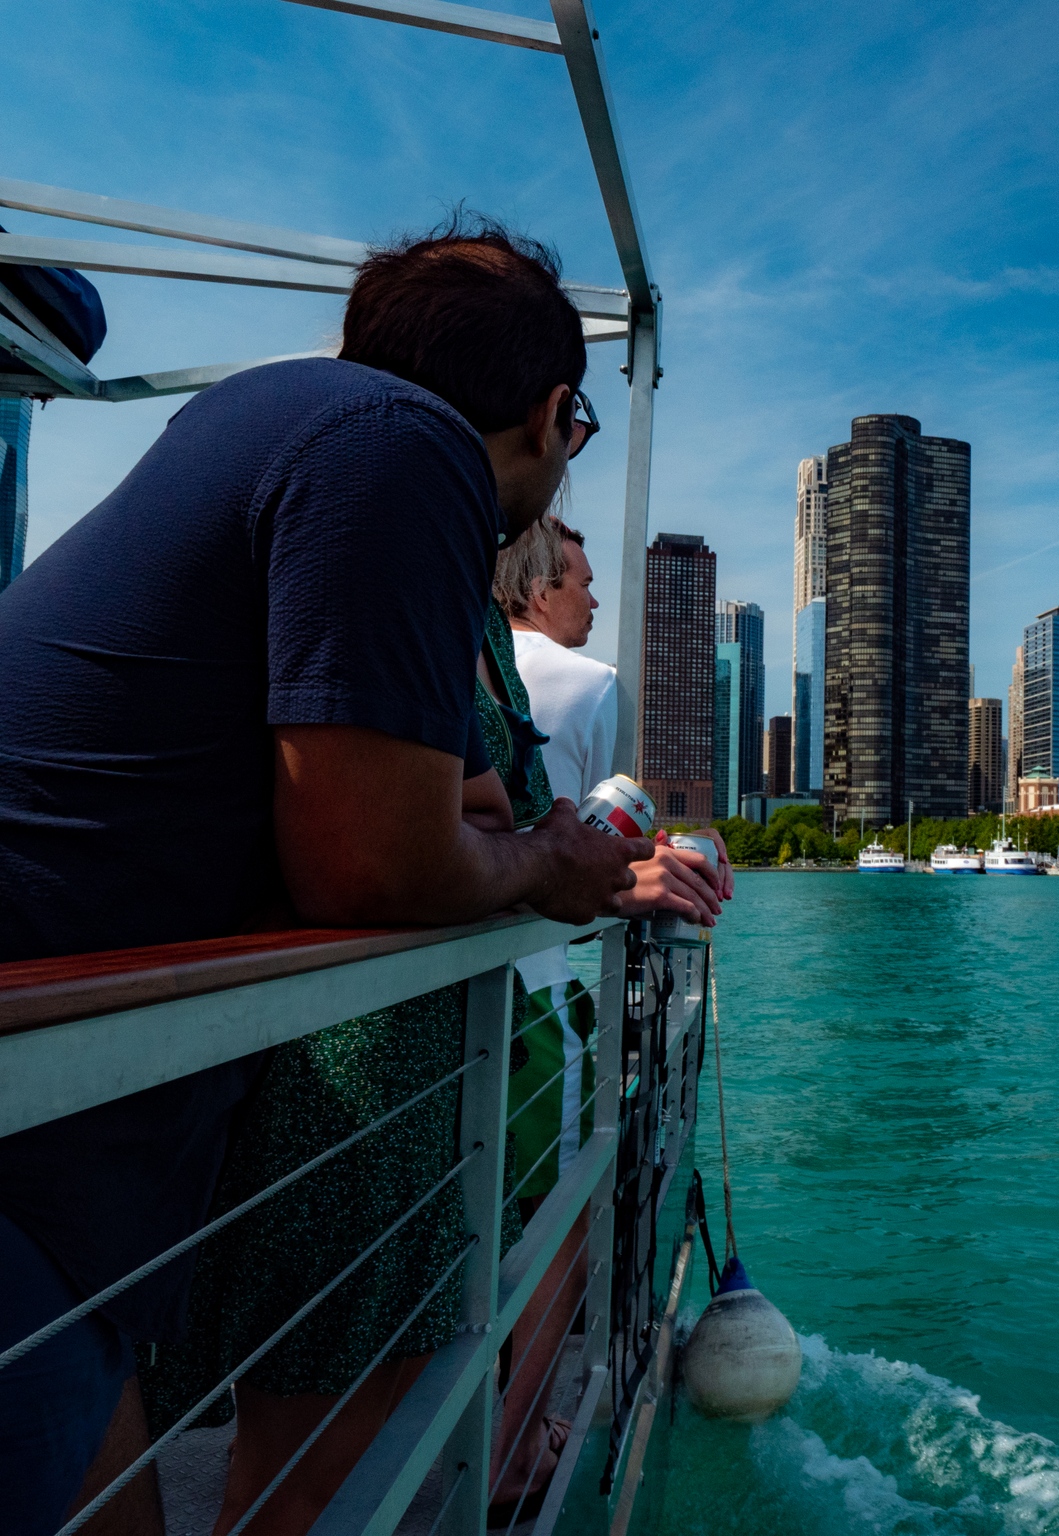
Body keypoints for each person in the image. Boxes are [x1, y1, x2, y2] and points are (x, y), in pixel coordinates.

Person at [0, 213, 651, 1536]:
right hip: (37, 1091)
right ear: (551, 413)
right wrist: (554, 863)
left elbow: (423, 797)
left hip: (62, 1090)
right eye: (574, 434)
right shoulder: (402, 451)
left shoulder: (292, 420)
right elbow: (371, 859)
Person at [485, 515, 728, 1517]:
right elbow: (590, 849)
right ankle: (514, 1448)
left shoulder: (464, 663)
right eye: (580, 581)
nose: (592, 598)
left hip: (441, 994)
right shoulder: (587, 684)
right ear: (534, 588)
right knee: (557, 1216)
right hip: (531, 991)